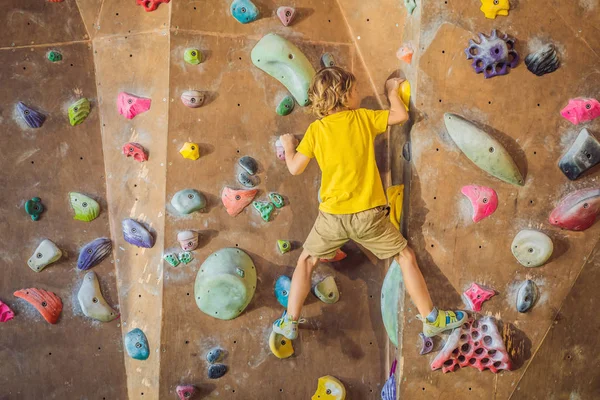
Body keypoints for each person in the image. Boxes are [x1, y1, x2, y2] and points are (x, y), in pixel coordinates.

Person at [272, 66, 466, 341]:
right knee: (405, 256)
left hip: (332, 218)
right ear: (344, 95)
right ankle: (431, 318)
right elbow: (400, 115)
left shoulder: (316, 130)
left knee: (306, 260)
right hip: (368, 216)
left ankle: (290, 320)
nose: (359, 94)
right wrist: (391, 92)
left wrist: (289, 145)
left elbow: (294, 168)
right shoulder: (362, 118)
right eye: (355, 89)